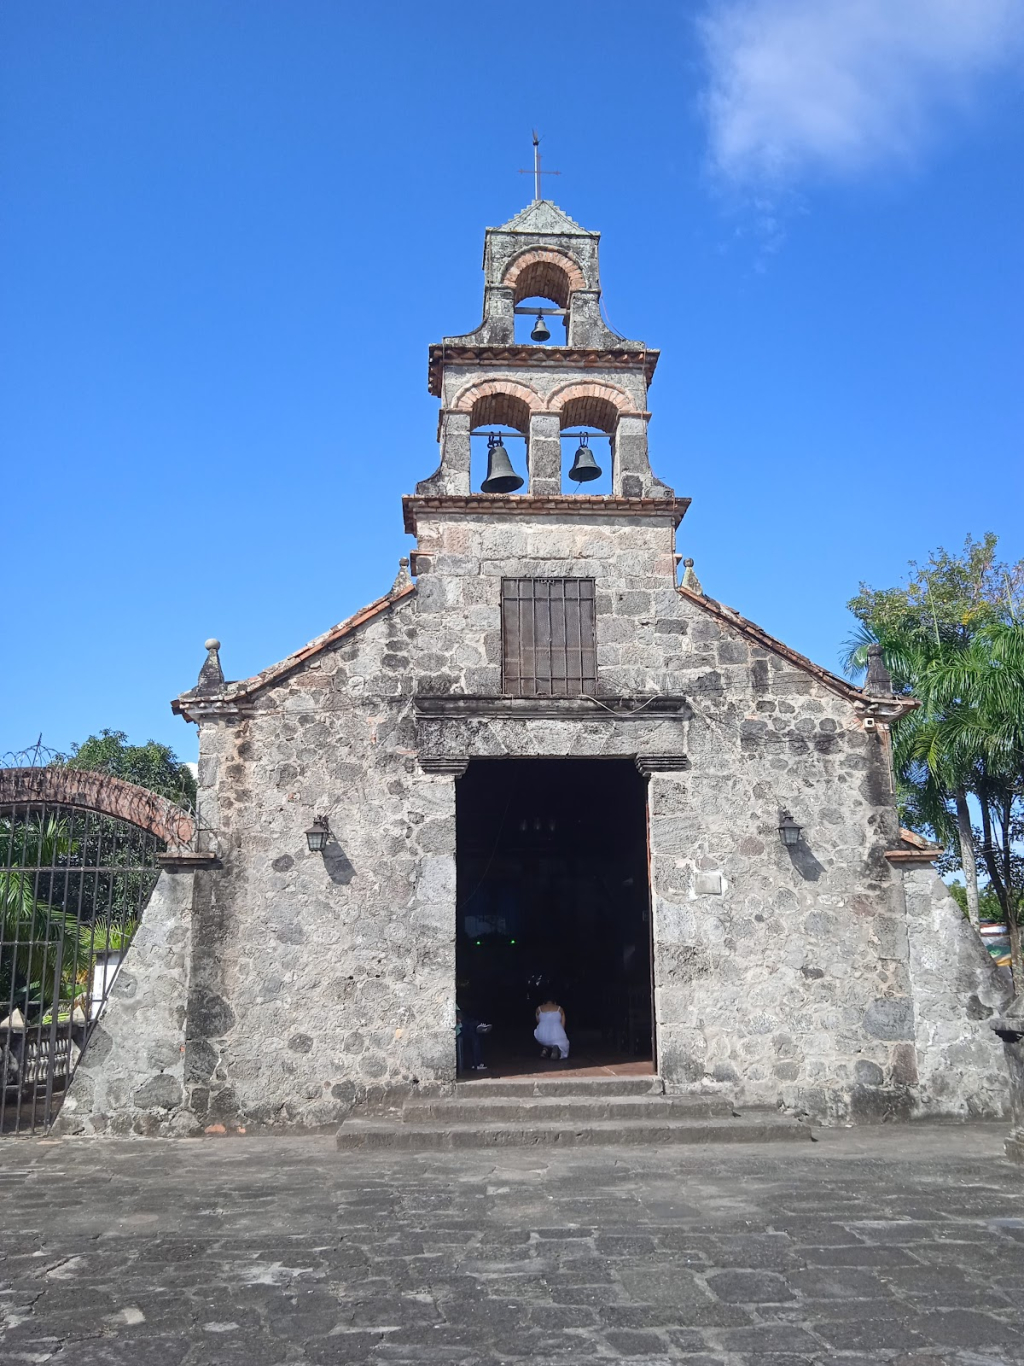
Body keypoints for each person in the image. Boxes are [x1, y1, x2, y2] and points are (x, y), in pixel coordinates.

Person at [456, 1005, 491, 1071]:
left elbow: (459, 1015)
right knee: (474, 1036)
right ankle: (477, 1063)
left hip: (461, 1028)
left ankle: (475, 1064)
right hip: (458, 1030)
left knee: (474, 1035)